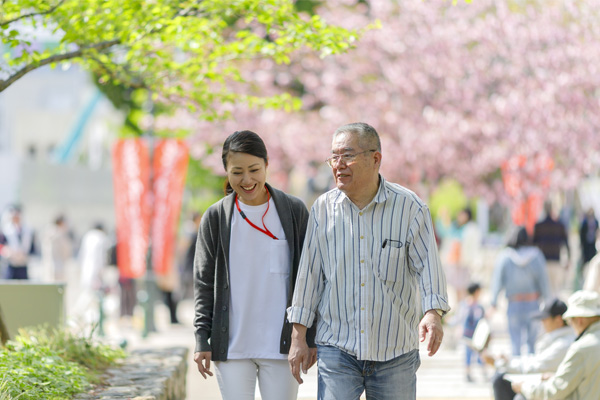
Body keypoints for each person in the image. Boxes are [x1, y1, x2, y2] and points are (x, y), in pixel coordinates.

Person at [287, 122, 450, 400]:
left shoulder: (410, 208)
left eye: (347, 155)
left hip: (395, 351)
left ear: (375, 158)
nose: (339, 164)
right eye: (334, 157)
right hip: (337, 348)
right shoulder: (323, 210)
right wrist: (298, 337)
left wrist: (433, 313)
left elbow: (428, 267)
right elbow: (309, 276)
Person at [193, 130, 312, 400]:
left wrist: (309, 337)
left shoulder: (294, 212)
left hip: (283, 348)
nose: (247, 180)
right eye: (237, 172)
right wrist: (202, 337)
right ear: (226, 171)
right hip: (232, 348)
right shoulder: (216, 217)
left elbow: (311, 277)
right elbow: (203, 282)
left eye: (254, 169)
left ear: (267, 164)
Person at [512, 290, 600, 399]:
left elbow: (553, 392)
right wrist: (555, 378)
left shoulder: (582, 348)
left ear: (579, 320)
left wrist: (524, 387)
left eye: (570, 321)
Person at [487, 298, 575, 400]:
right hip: (547, 387)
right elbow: (537, 361)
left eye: (545, 319)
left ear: (558, 320)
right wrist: (508, 361)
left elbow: (537, 366)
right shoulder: (557, 339)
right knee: (501, 380)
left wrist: (502, 363)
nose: (542, 323)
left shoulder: (563, 344)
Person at [490, 227, 552, 356]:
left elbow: (497, 281)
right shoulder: (536, 255)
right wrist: (548, 300)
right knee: (532, 344)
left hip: (514, 303)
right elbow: (544, 280)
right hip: (533, 303)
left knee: (515, 343)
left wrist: (493, 302)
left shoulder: (505, 256)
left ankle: (516, 372)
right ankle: (530, 372)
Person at [533, 202, 570, 295]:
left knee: (543, 291)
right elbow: (566, 243)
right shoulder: (559, 225)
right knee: (555, 290)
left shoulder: (539, 226)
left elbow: (533, 245)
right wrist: (568, 259)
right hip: (555, 261)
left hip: (542, 261)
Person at [0, 205, 36, 280]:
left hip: (23, 265)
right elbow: (1, 246)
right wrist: (7, 252)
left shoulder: (28, 230)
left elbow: (33, 249)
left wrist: (25, 255)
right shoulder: (6, 230)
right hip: (11, 265)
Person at [462, 282, 486, 383]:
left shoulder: (464, 304)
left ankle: (469, 373)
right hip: (474, 334)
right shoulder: (475, 306)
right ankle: (483, 373)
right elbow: (478, 319)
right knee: (479, 354)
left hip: (467, 334)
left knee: (470, 355)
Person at [41, 214, 74, 282]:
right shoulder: (59, 233)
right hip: (58, 266)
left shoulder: (48, 232)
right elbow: (66, 251)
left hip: (49, 265)